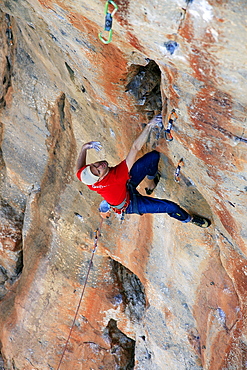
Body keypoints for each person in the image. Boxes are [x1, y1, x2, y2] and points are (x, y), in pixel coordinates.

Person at [76, 115, 211, 227]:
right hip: (130, 205)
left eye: (94, 164)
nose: (100, 165)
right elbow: (135, 148)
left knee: (153, 157)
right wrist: (149, 125)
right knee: (171, 207)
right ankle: (189, 219)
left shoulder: (86, 176)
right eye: (99, 170)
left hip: (126, 187)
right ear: (100, 178)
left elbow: (78, 169)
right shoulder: (116, 177)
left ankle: (150, 183)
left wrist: (84, 148)